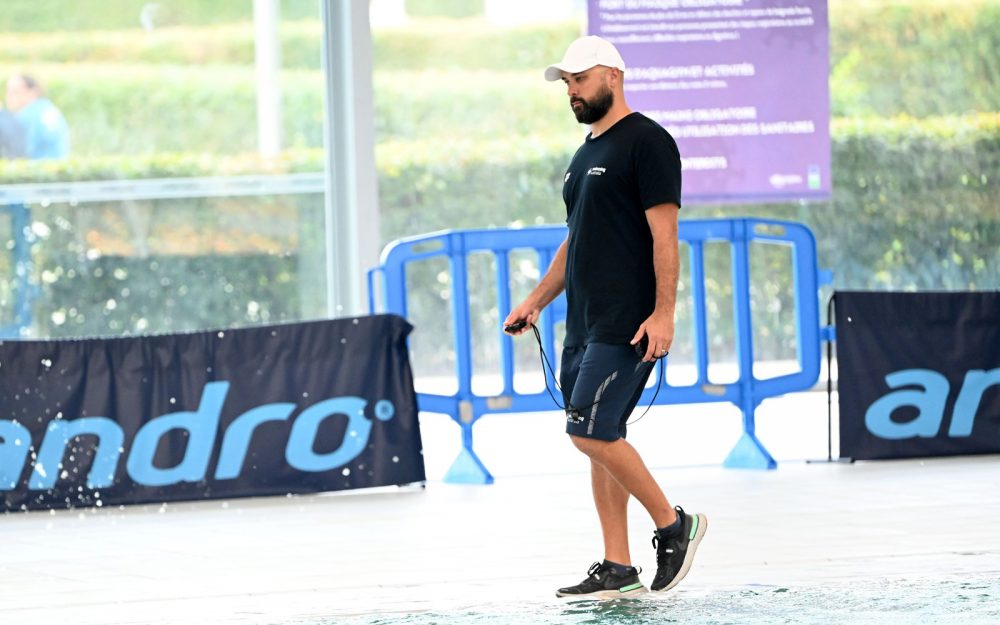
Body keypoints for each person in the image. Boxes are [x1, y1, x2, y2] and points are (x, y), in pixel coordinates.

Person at [504, 35, 707, 598]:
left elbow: (664, 235)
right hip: (584, 322)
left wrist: (664, 313)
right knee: (601, 433)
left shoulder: (648, 142)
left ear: (613, 75)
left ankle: (674, 525)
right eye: (566, 82)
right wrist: (536, 300)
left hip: (628, 320)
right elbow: (576, 241)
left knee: (587, 432)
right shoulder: (584, 155)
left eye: (580, 78)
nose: (572, 90)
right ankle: (617, 566)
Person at [5, 73, 69, 160]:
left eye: (15, 92)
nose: (9, 97)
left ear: (32, 92)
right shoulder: (48, 108)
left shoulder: (29, 116)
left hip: (38, 170)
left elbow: (20, 153)